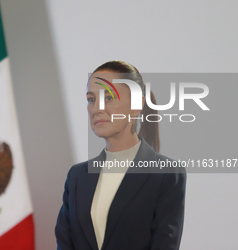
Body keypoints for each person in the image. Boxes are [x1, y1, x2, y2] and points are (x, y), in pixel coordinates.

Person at [55, 61, 187, 250]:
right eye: (91, 99)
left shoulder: (166, 174)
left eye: (108, 97)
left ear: (137, 104)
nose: (96, 108)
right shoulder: (77, 176)